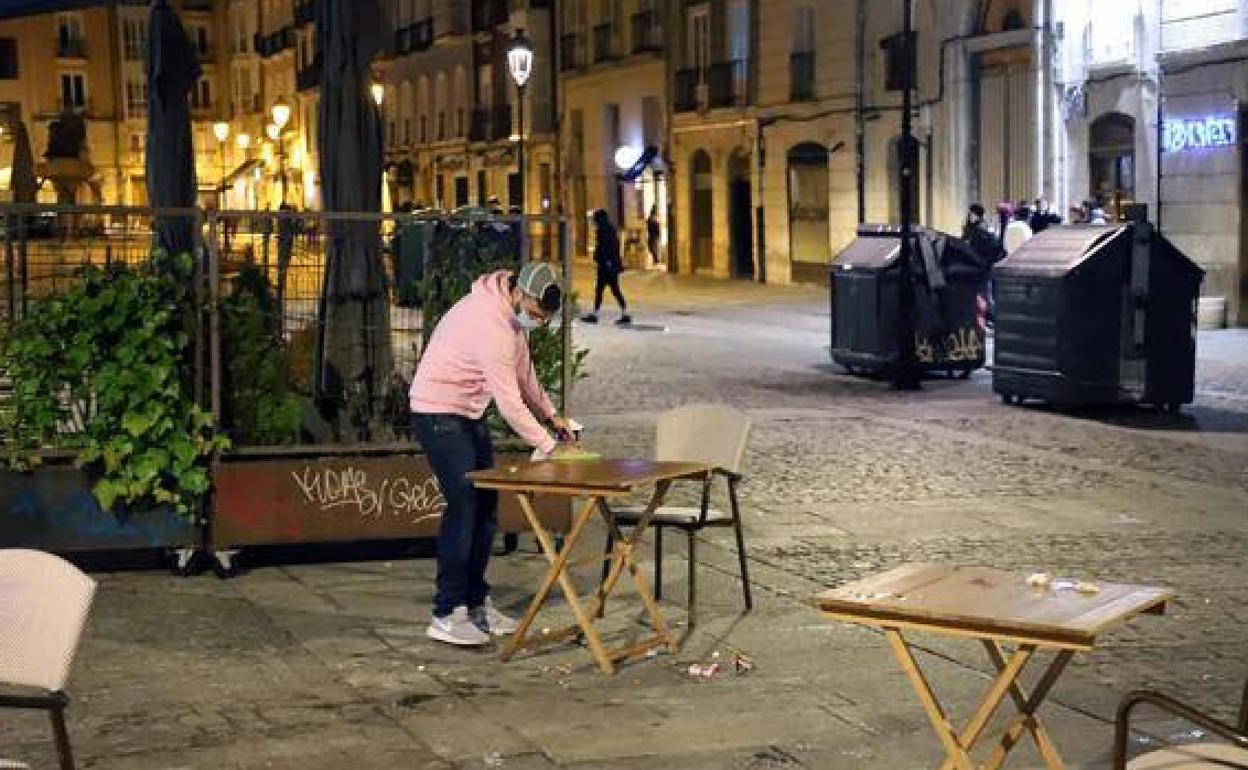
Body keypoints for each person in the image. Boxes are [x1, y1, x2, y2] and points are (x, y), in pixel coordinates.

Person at [409, 262, 579, 647]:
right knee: (464, 509)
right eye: (534, 314)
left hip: (466, 412)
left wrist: (553, 416)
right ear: (521, 293)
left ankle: (476, 605)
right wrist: (549, 446)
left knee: (486, 509)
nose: (536, 322)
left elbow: (525, 374)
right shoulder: (491, 323)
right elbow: (509, 401)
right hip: (438, 412)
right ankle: (446, 613)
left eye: (543, 319)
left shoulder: (512, 319)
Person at [581, 209, 631, 324]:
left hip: (607, 266)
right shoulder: (609, 229)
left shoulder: (604, 230)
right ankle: (623, 313)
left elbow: (605, 248)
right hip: (609, 265)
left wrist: (604, 260)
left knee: (604, 290)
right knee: (611, 289)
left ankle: (597, 314)